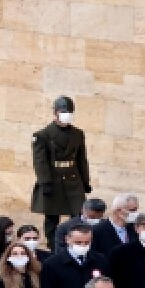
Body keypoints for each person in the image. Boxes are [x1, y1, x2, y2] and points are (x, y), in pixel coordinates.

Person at [31, 96, 91, 247]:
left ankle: (75, 242)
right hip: (53, 179)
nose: (67, 114)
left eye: (69, 112)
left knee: (77, 215)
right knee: (52, 217)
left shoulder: (78, 134)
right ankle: (53, 245)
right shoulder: (42, 135)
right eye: (64, 111)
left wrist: (85, 181)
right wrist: (45, 182)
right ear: (56, 112)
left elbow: (81, 159)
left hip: (73, 179)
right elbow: (40, 161)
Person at [91, 193, 137, 258]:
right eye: (132, 210)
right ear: (118, 211)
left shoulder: (134, 228)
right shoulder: (97, 231)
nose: (135, 213)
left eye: (136, 210)